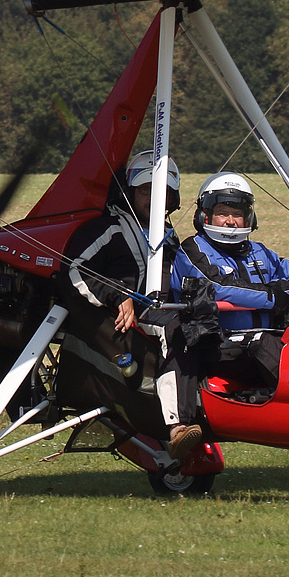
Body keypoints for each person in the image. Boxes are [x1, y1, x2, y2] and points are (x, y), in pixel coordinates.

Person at [154, 171, 289, 461]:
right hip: (219, 346)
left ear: (248, 217)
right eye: (222, 213)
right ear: (205, 215)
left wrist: (280, 292)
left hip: (269, 343)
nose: (230, 221)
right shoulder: (192, 250)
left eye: (237, 214)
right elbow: (218, 288)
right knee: (266, 344)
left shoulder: (259, 252)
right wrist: (272, 296)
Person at [51, 150, 182, 436]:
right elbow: (74, 271)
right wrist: (118, 294)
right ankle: (176, 420)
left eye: (164, 193)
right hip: (125, 328)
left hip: (164, 315)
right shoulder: (109, 229)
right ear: (129, 192)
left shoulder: (170, 238)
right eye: (147, 190)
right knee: (175, 331)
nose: (155, 199)